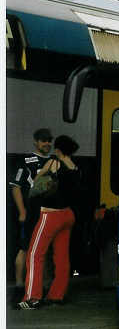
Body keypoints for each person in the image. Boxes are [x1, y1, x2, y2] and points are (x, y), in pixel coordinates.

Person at [18, 135, 81, 310]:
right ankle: (56, 295)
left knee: (34, 255)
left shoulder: (54, 163)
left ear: (58, 150)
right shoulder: (75, 167)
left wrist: (41, 176)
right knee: (61, 257)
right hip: (68, 215)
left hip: (50, 216)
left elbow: (37, 182)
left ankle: (32, 297)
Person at [8, 128, 54, 299]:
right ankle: (20, 286)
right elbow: (15, 186)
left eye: (49, 140)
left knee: (46, 250)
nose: (47, 143)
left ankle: (45, 286)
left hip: (49, 214)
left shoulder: (54, 160)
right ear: (35, 141)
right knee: (25, 248)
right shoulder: (26, 160)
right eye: (43, 140)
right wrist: (22, 211)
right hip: (31, 213)